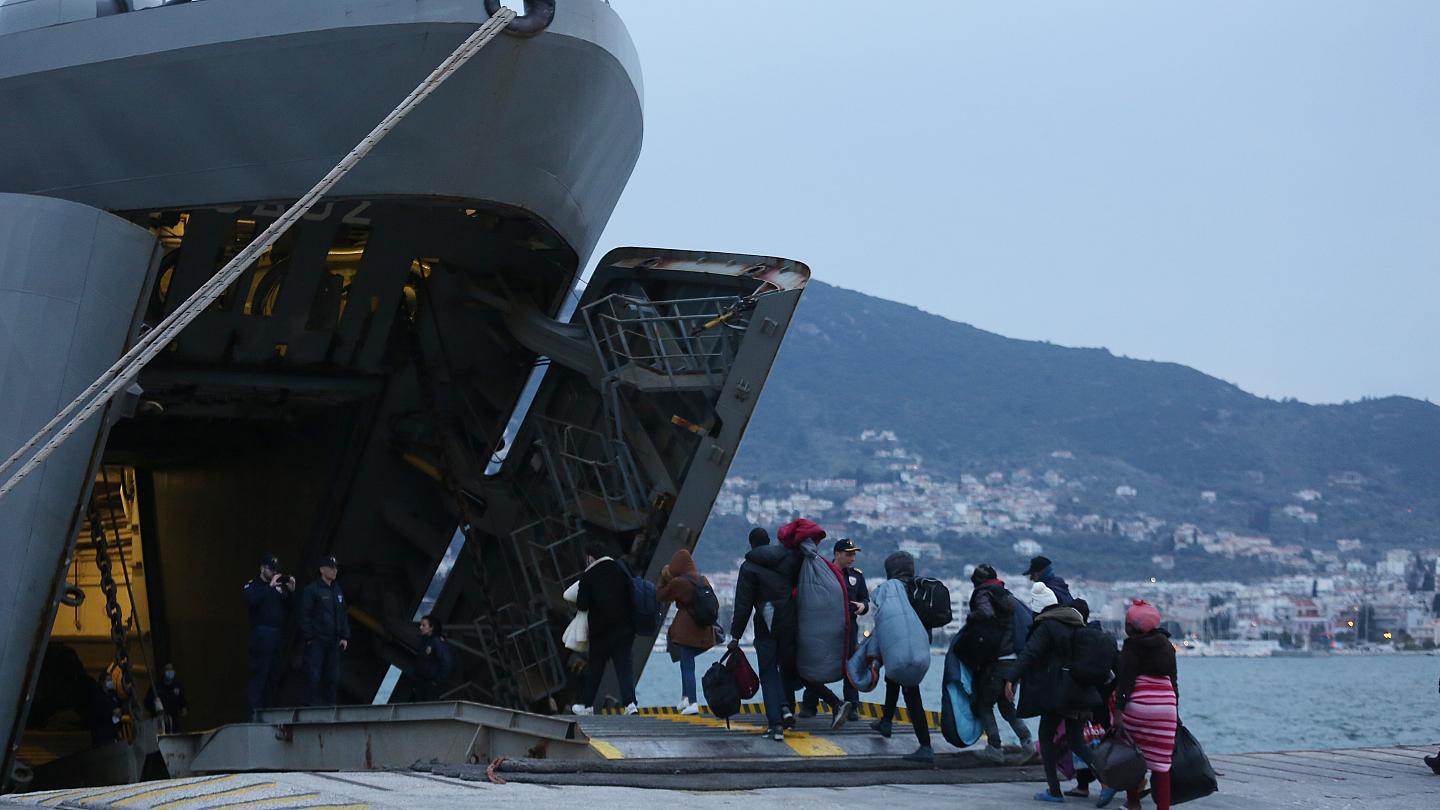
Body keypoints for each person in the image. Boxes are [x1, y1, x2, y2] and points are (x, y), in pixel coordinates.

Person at [1005, 582, 1100, 803]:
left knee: (1046, 738)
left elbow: (1029, 653)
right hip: (1078, 690)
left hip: (1057, 693)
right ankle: (1109, 780)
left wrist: (1011, 677)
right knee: (1077, 741)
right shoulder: (1075, 623)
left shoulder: (1047, 626)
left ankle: (1054, 790)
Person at [730, 526, 800, 740]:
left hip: (766, 624)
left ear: (751, 544)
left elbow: (743, 605)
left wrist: (736, 635)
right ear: (769, 541)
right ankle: (786, 708)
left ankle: (776, 724)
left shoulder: (749, 567)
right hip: (789, 621)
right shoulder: (788, 559)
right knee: (784, 669)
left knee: (768, 671)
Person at [965, 564, 1035, 765]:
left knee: (985, 704)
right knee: (1007, 705)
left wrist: (971, 618)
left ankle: (994, 747)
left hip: (996, 661)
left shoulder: (983, 594)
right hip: (1014, 661)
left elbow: (985, 613)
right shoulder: (1007, 596)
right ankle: (1027, 743)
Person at [868, 551, 934, 762]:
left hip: (903, 647)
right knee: (892, 679)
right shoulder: (919, 588)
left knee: (911, 693)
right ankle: (886, 722)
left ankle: (925, 746)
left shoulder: (896, 590)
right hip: (920, 644)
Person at [1114, 600, 1178, 810]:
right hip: (1167, 706)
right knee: (1162, 765)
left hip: (1139, 705)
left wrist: (1119, 710)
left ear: (1132, 626)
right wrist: (1175, 711)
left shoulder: (1132, 646)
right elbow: (1174, 681)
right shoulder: (1167, 647)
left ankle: (1133, 802)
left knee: (1132, 757)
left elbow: (1126, 681)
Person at [802, 538, 868, 721]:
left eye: (854, 554)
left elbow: (865, 599)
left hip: (849, 628)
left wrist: (863, 606)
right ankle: (810, 704)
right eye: (848, 554)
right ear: (837, 554)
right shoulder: (823, 573)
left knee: (851, 666)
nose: (852, 558)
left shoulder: (857, 576)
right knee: (819, 663)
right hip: (825, 627)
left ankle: (852, 705)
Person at [571, 542, 638, 715]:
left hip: (601, 633)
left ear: (590, 557)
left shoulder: (589, 576)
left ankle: (587, 706)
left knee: (595, 670)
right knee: (624, 669)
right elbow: (632, 594)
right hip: (624, 630)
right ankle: (631, 705)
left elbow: (582, 605)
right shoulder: (620, 570)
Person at [1067, 598, 1117, 805]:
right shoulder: (1103, 637)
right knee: (1101, 739)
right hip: (1104, 696)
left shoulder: (1078, 638)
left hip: (1086, 695)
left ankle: (1090, 784)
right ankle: (1093, 782)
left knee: (1082, 740)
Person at [657, 548, 717, 716]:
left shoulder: (679, 583)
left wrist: (663, 576)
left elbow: (660, 595)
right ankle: (685, 697)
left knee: (687, 665)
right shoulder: (702, 580)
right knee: (686, 662)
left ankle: (692, 702)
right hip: (704, 629)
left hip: (687, 630)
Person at [243, 553, 295, 712]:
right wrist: (269, 587)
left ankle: (269, 709)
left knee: (274, 673)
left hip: (276, 634)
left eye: (275, 571)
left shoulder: (278, 589)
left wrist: (290, 590)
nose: (274, 573)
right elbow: (252, 599)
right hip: (261, 633)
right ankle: (255, 710)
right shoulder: (254, 585)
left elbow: (290, 609)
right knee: (260, 672)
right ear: (262, 568)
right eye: (271, 569)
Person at [300, 556, 350, 706]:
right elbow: (304, 614)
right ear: (322, 570)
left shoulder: (337, 590)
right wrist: (310, 636)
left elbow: (342, 614)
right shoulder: (312, 590)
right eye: (331, 567)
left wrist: (344, 636)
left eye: (335, 568)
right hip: (318, 640)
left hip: (334, 641)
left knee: (333, 677)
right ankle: (309, 706)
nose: (334, 571)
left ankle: (330, 707)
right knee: (313, 675)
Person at [411, 615, 455, 701]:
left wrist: (436, 681)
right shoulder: (423, 642)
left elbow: (447, 663)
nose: (420, 627)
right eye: (421, 625)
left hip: (431, 685)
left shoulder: (437, 642)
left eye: (424, 625)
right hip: (421, 683)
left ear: (431, 627)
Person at [144, 663, 188, 733]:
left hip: (174, 722)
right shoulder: (156, 687)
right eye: (168, 670)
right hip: (159, 721)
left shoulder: (178, 686)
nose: (170, 672)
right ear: (163, 672)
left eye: (171, 669)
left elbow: (183, 703)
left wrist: (183, 710)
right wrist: (155, 707)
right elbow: (147, 702)